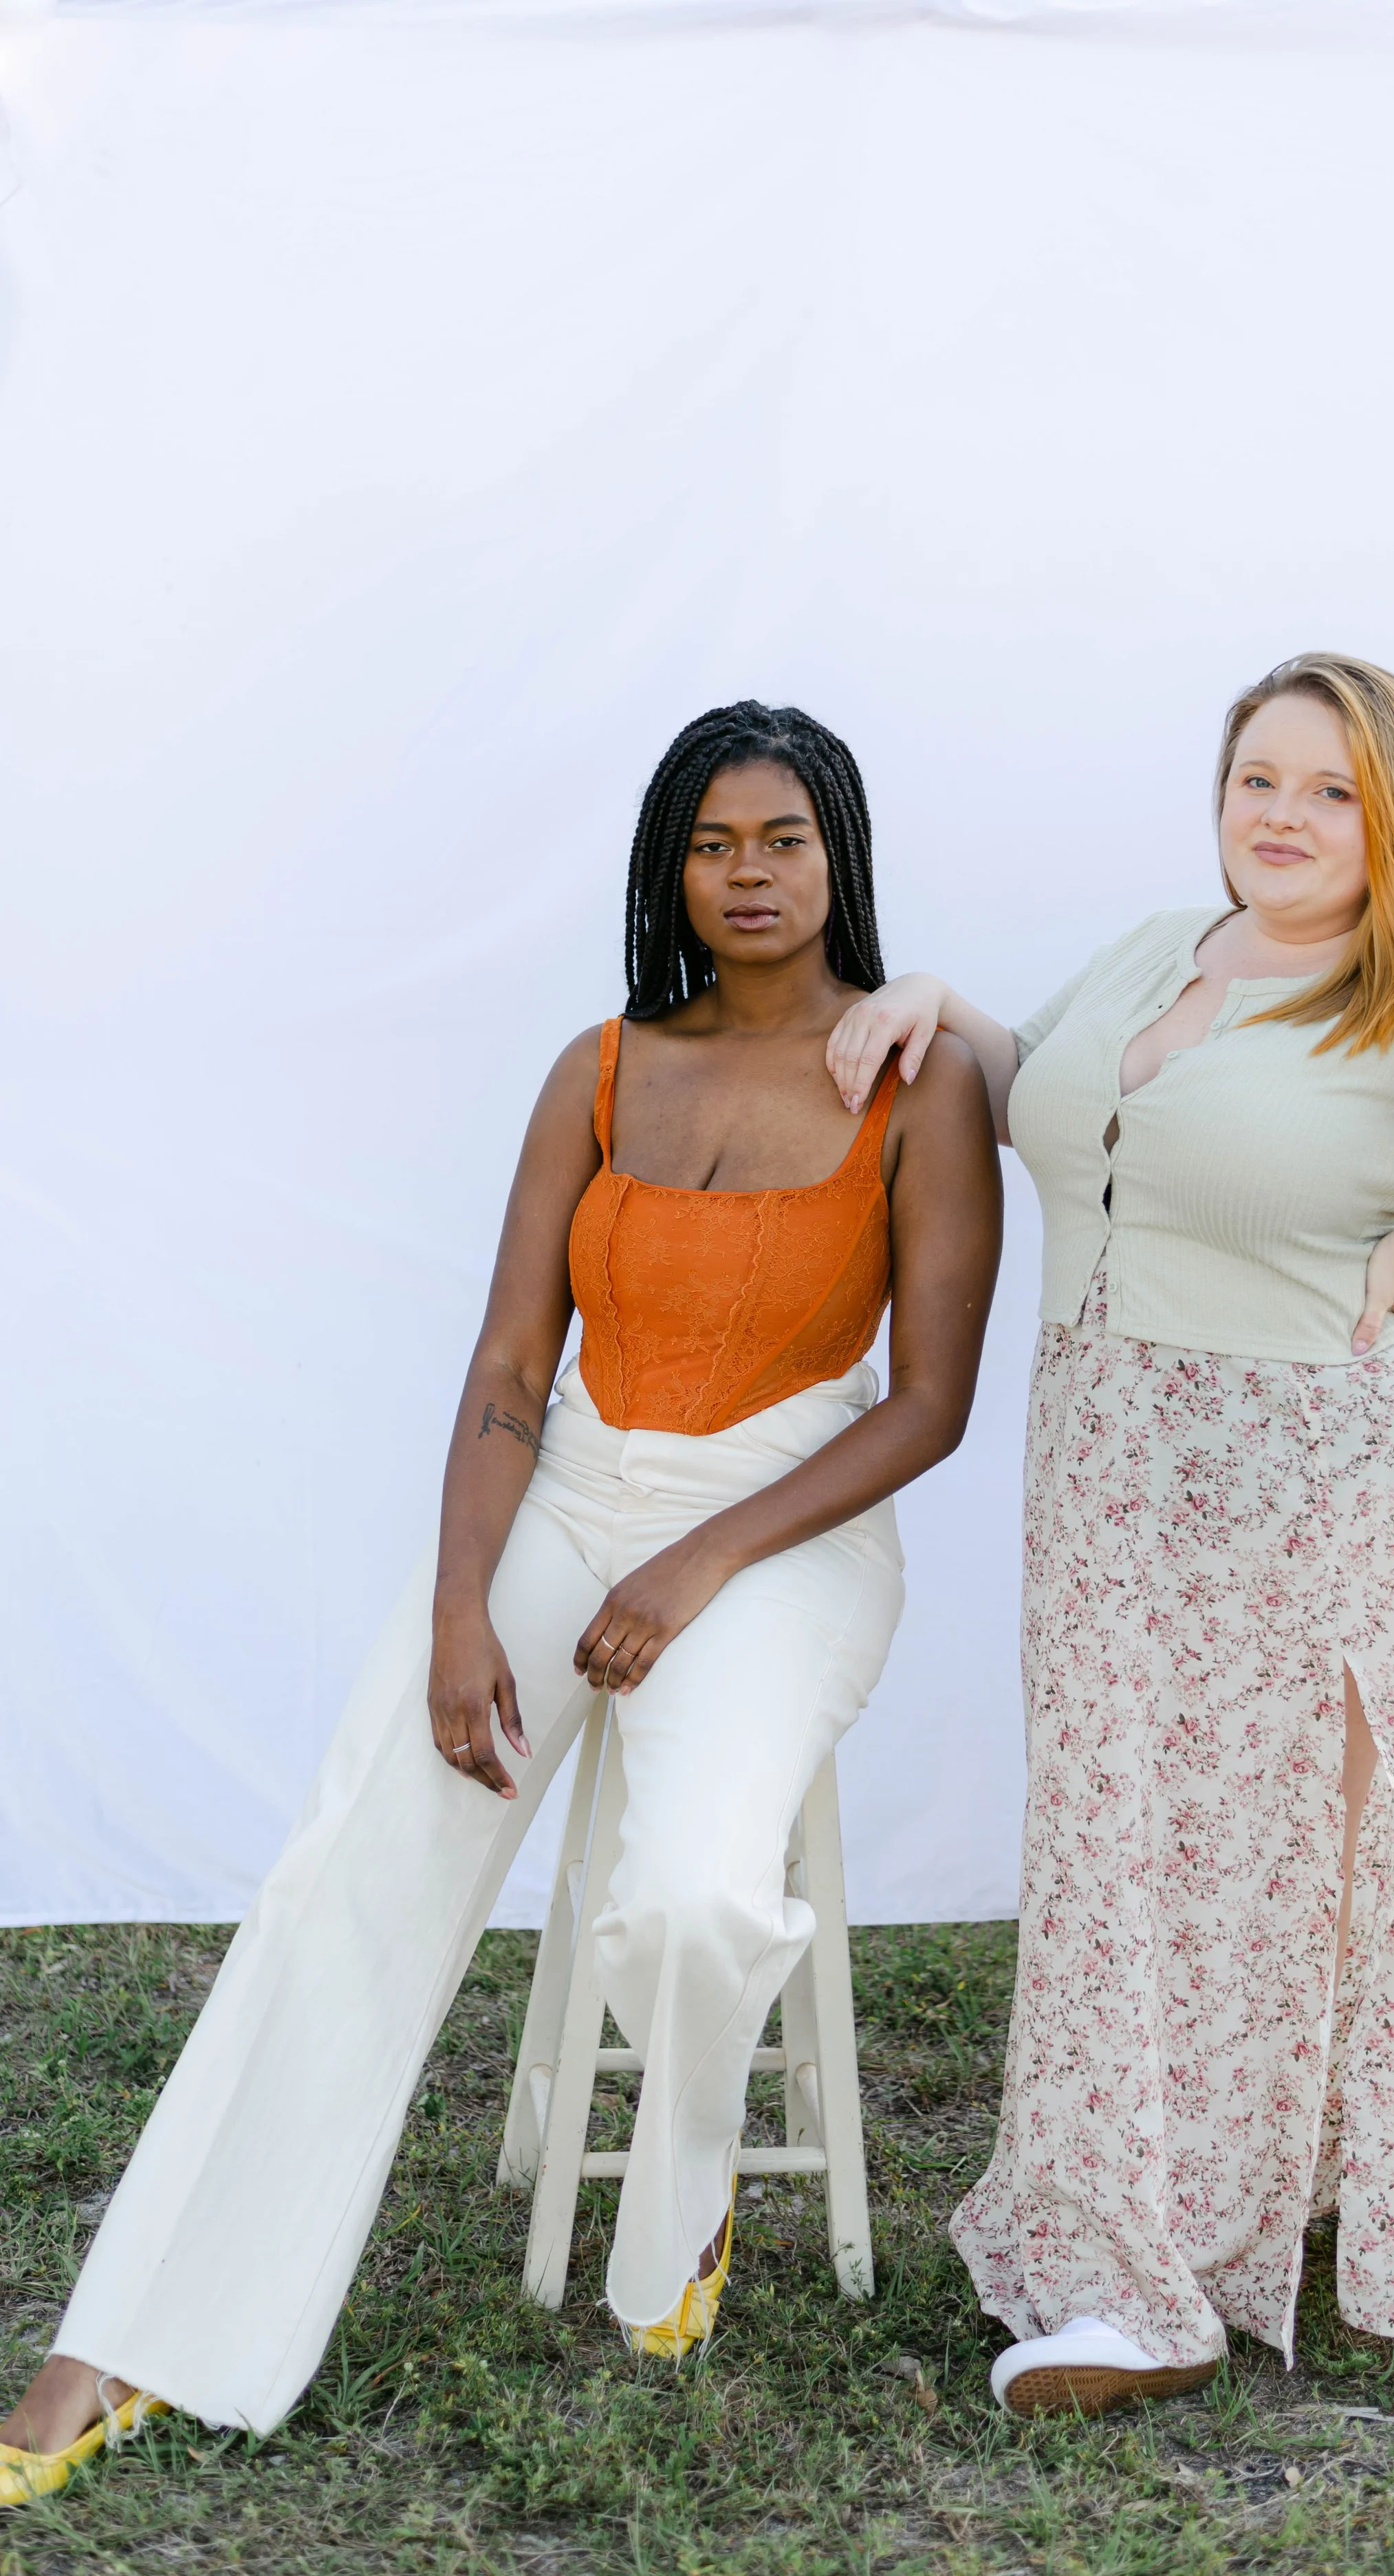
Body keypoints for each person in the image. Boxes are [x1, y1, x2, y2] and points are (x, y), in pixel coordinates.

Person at [0, 700, 1002, 2502]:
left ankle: (676, 2205)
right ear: (668, 870)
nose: (749, 873)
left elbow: (928, 1407)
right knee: (352, 1871)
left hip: (785, 1525)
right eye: (713, 844)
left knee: (696, 1899)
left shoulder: (918, 1085)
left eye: (782, 837)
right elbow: (511, 1358)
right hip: (563, 1495)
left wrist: (695, 1562)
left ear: (837, 849)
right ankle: (131, 2334)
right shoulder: (602, 1067)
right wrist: (466, 1607)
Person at [825, 653, 1394, 2418]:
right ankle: (1187, 2195)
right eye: (1256, 781)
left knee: (1260, 1861)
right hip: (1120, 1467)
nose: (1280, 819)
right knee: (1129, 1843)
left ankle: (1171, 2278)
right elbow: (1044, 1086)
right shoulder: (1161, 949)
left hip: (1321, 1472)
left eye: (1329, 792)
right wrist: (939, 1010)